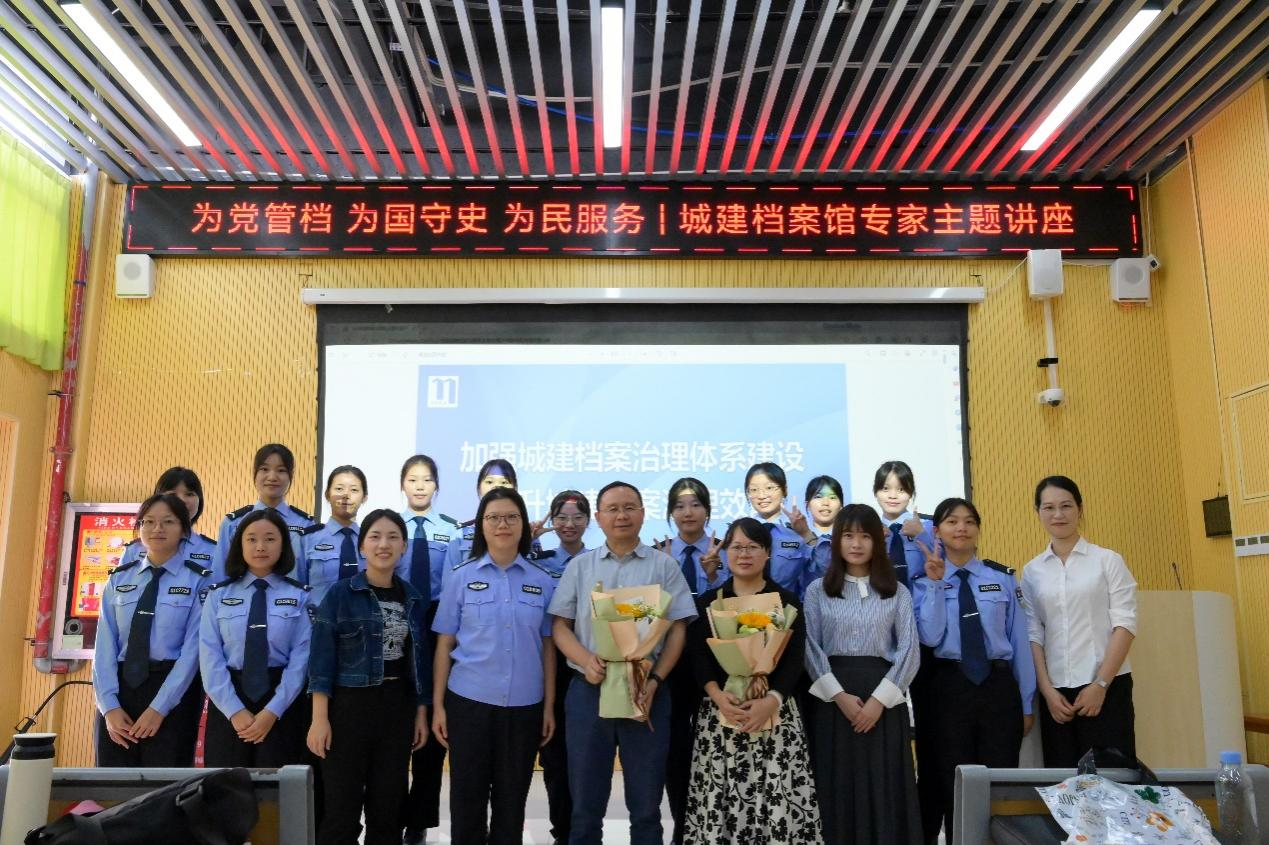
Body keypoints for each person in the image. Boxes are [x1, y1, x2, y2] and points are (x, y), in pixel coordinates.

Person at [547, 481, 697, 845]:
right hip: (589, 692)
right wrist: (586, 660)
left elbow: (678, 629)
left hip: (646, 691)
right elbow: (559, 627)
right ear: (598, 517)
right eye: (612, 509)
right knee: (585, 806)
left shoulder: (664, 566)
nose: (622, 515)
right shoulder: (580, 567)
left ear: (643, 514)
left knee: (646, 807)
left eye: (630, 507)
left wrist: (656, 680)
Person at [432, 488, 559, 844]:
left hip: (524, 707)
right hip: (468, 703)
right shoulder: (460, 576)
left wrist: (548, 706)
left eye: (511, 517)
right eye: (493, 517)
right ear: (481, 526)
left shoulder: (541, 580)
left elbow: (548, 647)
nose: (502, 524)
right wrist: (439, 706)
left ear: (523, 525)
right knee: (467, 802)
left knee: (511, 805)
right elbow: (444, 644)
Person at [683, 517, 820, 844]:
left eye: (753, 547)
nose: (744, 554)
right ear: (725, 552)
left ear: (767, 552)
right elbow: (699, 659)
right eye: (737, 547)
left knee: (776, 800)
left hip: (776, 716)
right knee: (722, 801)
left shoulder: (787, 603)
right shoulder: (708, 603)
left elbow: (794, 660)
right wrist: (718, 696)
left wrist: (772, 700)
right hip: (722, 715)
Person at [911, 498, 1036, 845]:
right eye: (952, 522)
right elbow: (930, 636)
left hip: (998, 687)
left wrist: (1026, 703)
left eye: (969, 521)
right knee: (955, 784)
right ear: (937, 531)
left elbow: (1020, 642)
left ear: (978, 529)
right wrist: (936, 585)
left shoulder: (1002, 578)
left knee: (1000, 783)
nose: (962, 528)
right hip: (950, 688)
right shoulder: (923, 582)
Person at [307, 509, 431, 845]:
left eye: (393, 537)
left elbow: (419, 662)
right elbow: (321, 660)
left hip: (397, 709)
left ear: (404, 546)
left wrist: (420, 713)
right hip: (348, 709)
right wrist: (319, 719)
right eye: (375, 537)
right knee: (341, 813)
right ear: (362, 546)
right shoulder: (340, 594)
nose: (383, 544)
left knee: (387, 811)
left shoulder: (413, 597)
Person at [805, 505, 920, 844]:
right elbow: (810, 647)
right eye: (848, 536)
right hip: (833, 701)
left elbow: (909, 651)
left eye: (865, 536)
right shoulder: (817, 591)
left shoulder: (897, 591)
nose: (856, 544)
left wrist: (878, 701)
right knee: (836, 785)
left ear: (877, 542)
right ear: (836, 541)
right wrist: (838, 696)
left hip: (883, 701)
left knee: (884, 786)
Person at [1023, 476, 1138, 768]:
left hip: (1107, 688)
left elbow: (1125, 625)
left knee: (1113, 780)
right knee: (1063, 783)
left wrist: (1101, 684)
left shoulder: (1107, 560)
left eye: (1066, 506)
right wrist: (1047, 691)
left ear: (1080, 509)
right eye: (1049, 507)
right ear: (1038, 512)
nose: (1058, 515)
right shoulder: (1032, 571)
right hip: (1056, 696)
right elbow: (1034, 633)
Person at [93, 494, 212, 767]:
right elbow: (104, 646)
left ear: (184, 529)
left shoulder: (199, 581)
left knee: (164, 785)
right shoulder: (119, 579)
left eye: (168, 522)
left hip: (172, 693)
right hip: (118, 690)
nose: (157, 529)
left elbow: (193, 651)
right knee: (111, 785)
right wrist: (109, 707)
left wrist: (160, 708)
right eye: (149, 522)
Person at [200, 508, 311, 767]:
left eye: (270, 539)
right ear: (239, 545)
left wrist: (272, 711)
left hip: (282, 703)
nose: (260, 546)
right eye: (251, 539)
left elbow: (301, 659)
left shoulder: (300, 596)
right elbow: (209, 656)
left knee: (278, 787)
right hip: (229, 702)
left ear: (283, 545)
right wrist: (234, 710)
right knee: (225, 787)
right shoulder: (218, 596)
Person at [653, 477, 725, 845]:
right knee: (677, 749)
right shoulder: (656, 555)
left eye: (695, 504)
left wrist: (714, 577)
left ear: (707, 511)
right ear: (670, 513)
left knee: (716, 747)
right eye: (679, 506)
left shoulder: (727, 551)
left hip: (720, 661)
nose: (688, 512)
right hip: (673, 663)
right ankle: (683, 829)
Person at [872, 460, 938, 842]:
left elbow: (946, 566)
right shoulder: (869, 531)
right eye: (886, 488)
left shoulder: (928, 528)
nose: (893, 495)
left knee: (928, 731)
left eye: (901, 488)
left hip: (924, 637)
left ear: (911, 492)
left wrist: (921, 535)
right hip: (882, 638)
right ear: (876, 492)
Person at [398, 454, 463, 845]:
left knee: (434, 728)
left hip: (437, 625)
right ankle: (389, 815)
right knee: (396, 722)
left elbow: (453, 584)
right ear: (402, 484)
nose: (420, 486)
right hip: (397, 619)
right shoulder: (391, 526)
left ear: (436, 485)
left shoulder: (452, 530)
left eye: (426, 479)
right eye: (412, 479)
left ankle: (418, 821)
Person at [530, 489, 592, 845]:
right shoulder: (539, 560)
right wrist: (528, 542)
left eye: (577, 517)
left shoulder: (597, 561)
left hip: (586, 663)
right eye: (562, 518)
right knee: (553, 756)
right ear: (552, 521)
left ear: (589, 520)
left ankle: (583, 831)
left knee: (584, 756)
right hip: (544, 662)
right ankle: (561, 831)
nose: (569, 524)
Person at [215, 443, 315, 577]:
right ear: (255, 474)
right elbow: (220, 575)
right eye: (264, 469)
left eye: (281, 470)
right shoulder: (233, 523)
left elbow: (312, 575)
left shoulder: (306, 524)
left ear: (290, 476)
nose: (272, 477)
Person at [118, 466, 217, 578]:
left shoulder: (214, 551)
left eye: (189, 494)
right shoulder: (133, 550)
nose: (182, 500)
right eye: (172, 495)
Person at [742, 462, 817, 597]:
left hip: (789, 607)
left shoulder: (797, 533)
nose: (761, 495)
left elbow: (819, 572)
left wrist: (806, 534)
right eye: (754, 490)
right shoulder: (740, 533)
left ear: (784, 490)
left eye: (769, 488)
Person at [298, 466, 368, 607]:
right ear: (327, 494)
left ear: (364, 497)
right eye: (339, 489)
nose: (346, 495)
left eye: (354, 490)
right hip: (319, 618)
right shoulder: (307, 539)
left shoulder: (371, 541)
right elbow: (295, 588)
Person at [440, 458, 518, 577]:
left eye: (504, 482)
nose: (496, 487)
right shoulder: (460, 535)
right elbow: (450, 582)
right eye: (489, 482)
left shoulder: (527, 533)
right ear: (478, 488)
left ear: (515, 489)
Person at [805, 474, 844, 582]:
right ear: (807, 505)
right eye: (818, 497)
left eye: (832, 497)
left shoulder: (849, 540)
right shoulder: (798, 539)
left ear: (841, 506)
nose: (825, 503)